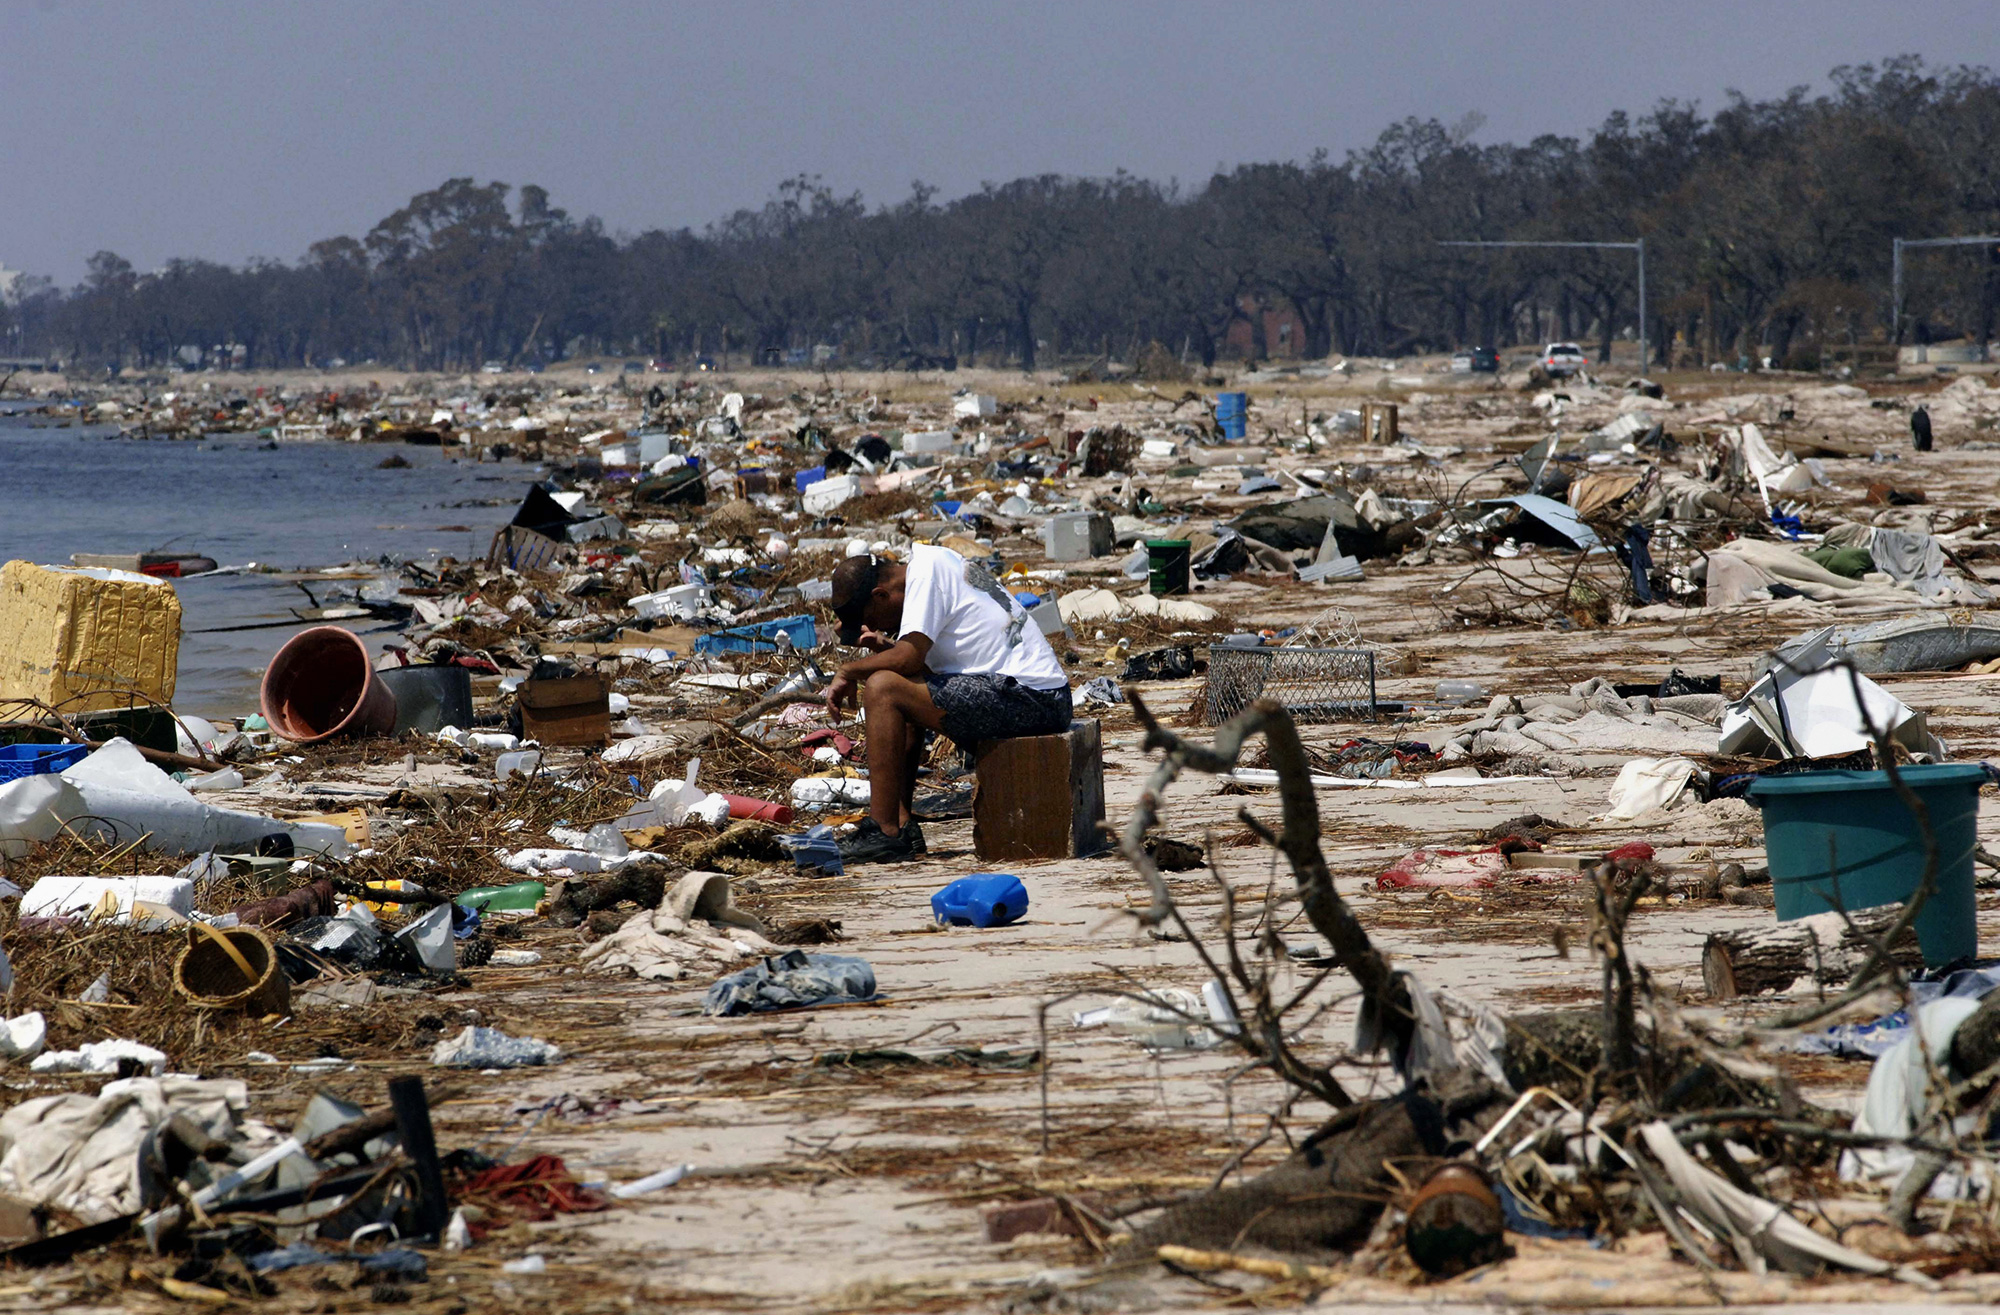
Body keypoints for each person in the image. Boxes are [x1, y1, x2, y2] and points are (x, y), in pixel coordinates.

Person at [823, 546, 1073, 863]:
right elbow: (921, 667)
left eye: (874, 622)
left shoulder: (926, 575)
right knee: (899, 691)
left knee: (882, 689)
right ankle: (902, 827)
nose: (880, 630)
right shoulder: (933, 563)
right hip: (1034, 694)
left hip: (1030, 698)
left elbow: (908, 659)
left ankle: (883, 832)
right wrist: (886, 648)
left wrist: (848, 671)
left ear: (881, 595)